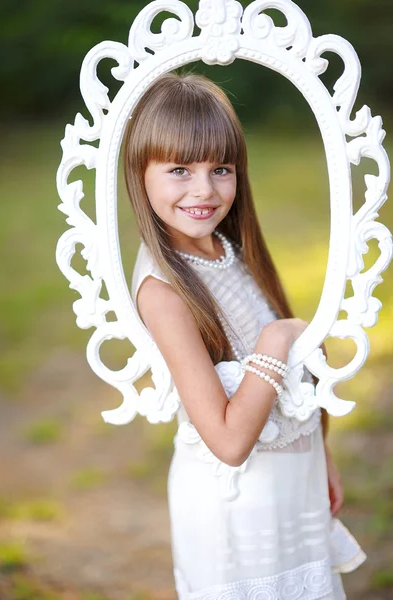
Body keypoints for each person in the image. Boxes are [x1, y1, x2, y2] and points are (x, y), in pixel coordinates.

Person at [124, 72, 366, 599]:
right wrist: (275, 340)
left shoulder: (225, 249)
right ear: (140, 174)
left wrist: (320, 457)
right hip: (234, 517)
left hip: (290, 494)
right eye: (179, 170)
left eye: (221, 169)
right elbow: (230, 441)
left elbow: (289, 392)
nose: (204, 190)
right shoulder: (163, 291)